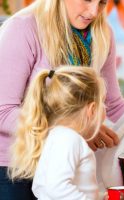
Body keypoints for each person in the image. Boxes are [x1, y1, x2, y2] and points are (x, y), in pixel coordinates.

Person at [0, 0, 124, 198]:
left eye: (102, 2)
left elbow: (113, 105)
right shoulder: (23, 29)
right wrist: (78, 129)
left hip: (65, 165)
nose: (94, 12)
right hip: (15, 169)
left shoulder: (102, 34)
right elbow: (3, 111)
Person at [9, 66, 106, 199]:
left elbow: (41, 186)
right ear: (92, 109)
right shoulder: (70, 139)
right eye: (103, 104)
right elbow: (56, 188)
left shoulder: (56, 136)